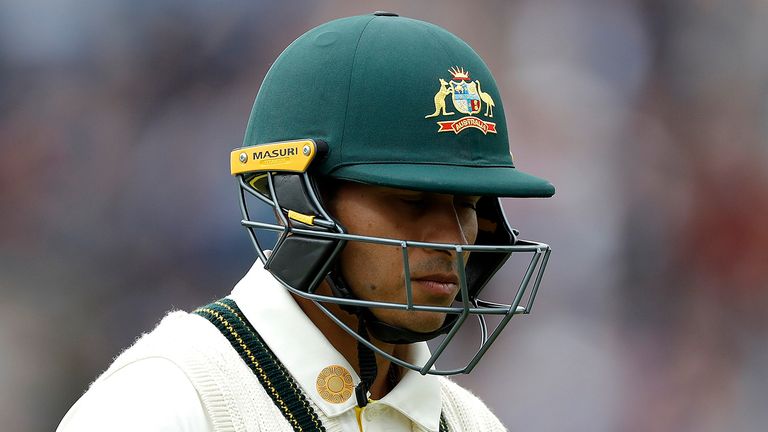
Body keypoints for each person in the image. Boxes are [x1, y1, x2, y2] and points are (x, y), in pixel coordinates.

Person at [58, 12, 554, 432]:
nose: (453, 240)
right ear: (301, 200)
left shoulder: (472, 424)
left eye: (468, 206)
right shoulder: (164, 402)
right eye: (410, 200)